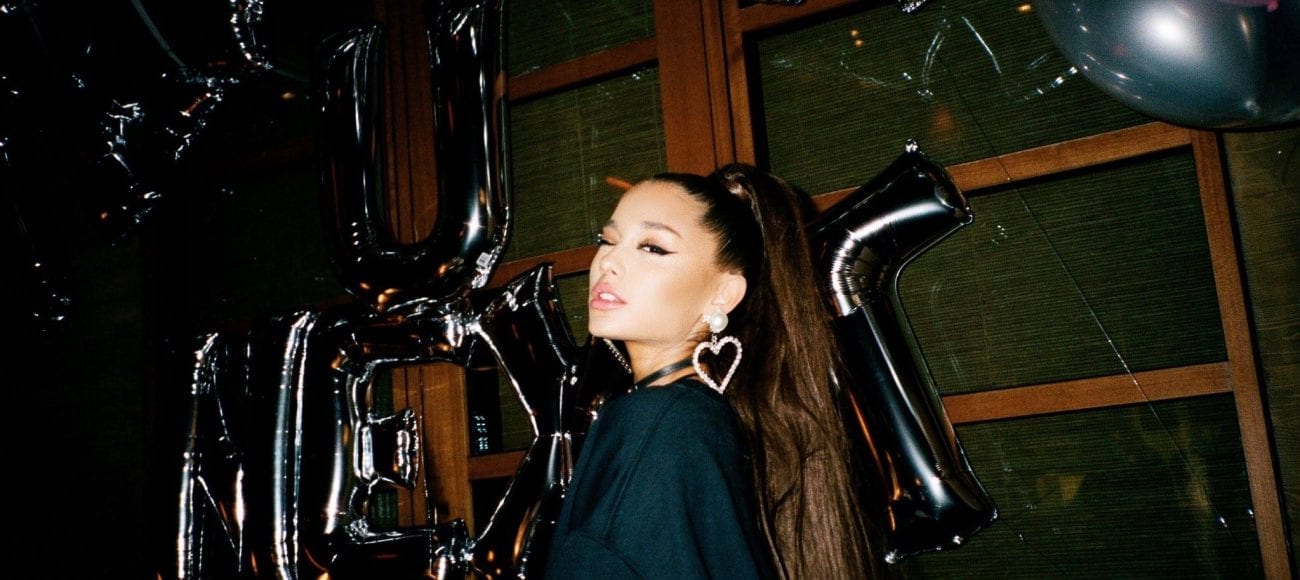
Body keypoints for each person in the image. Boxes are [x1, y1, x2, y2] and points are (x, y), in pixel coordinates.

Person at [542, 163, 877, 579]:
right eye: (607, 240)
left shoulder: (657, 421)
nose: (608, 262)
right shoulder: (700, 418)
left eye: (652, 247)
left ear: (723, 293)